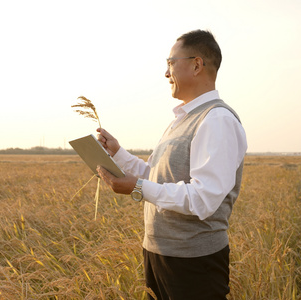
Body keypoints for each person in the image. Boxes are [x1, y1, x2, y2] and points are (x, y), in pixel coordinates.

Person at [96, 29, 247, 299]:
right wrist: (117, 153)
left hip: (193, 261)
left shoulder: (216, 120)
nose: (166, 73)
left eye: (170, 63)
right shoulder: (180, 120)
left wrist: (138, 188)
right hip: (160, 253)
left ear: (197, 64)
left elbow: (203, 198)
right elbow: (156, 176)